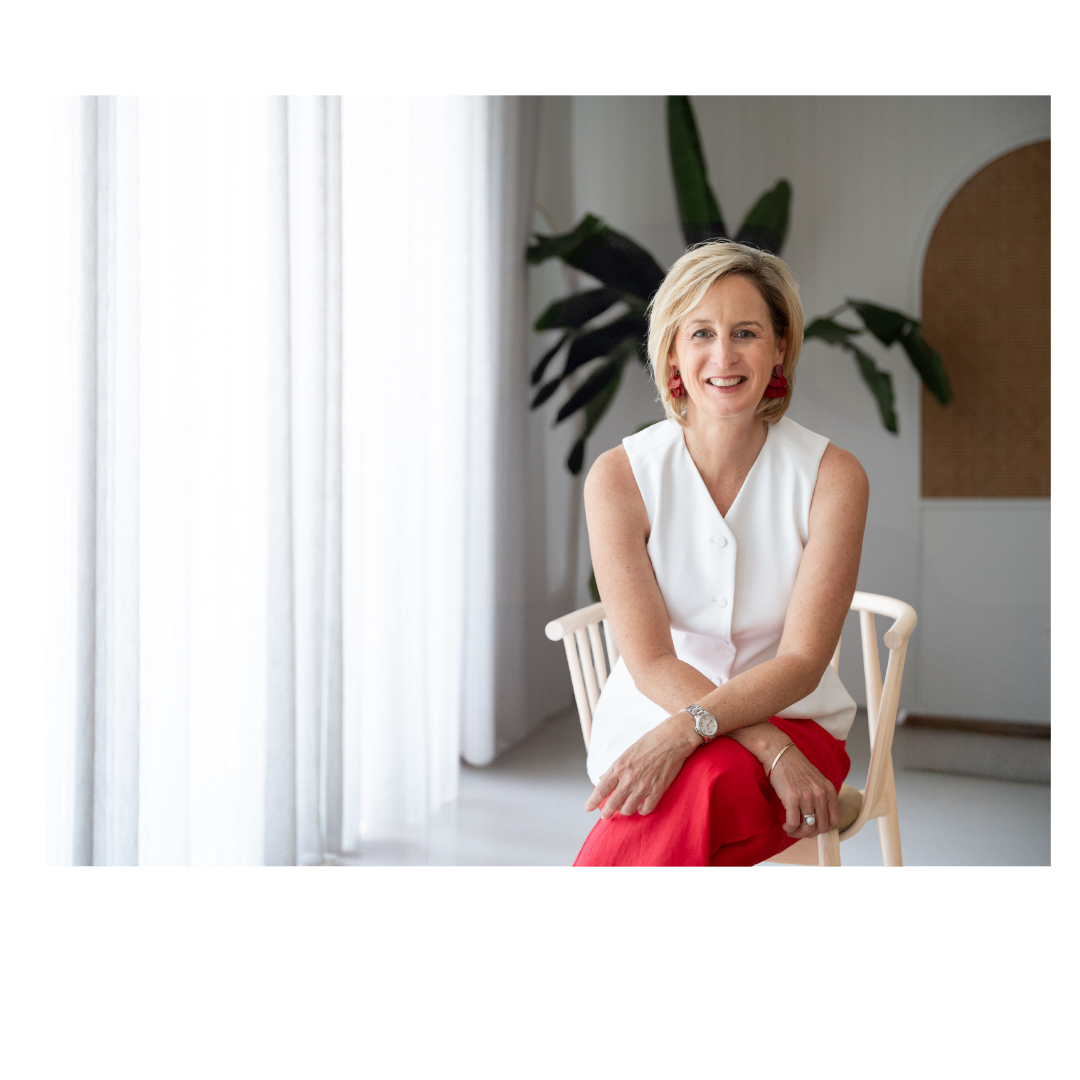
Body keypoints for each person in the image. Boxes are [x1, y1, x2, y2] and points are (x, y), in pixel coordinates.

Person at [573, 241, 867, 867]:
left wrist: (699, 733)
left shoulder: (834, 477)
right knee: (706, 783)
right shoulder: (618, 477)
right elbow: (650, 659)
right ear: (673, 350)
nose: (724, 356)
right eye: (701, 332)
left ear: (780, 347)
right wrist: (755, 744)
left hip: (798, 719)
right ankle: (821, 804)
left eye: (747, 333)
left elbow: (804, 660)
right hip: (656, 714)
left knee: (703, 784)